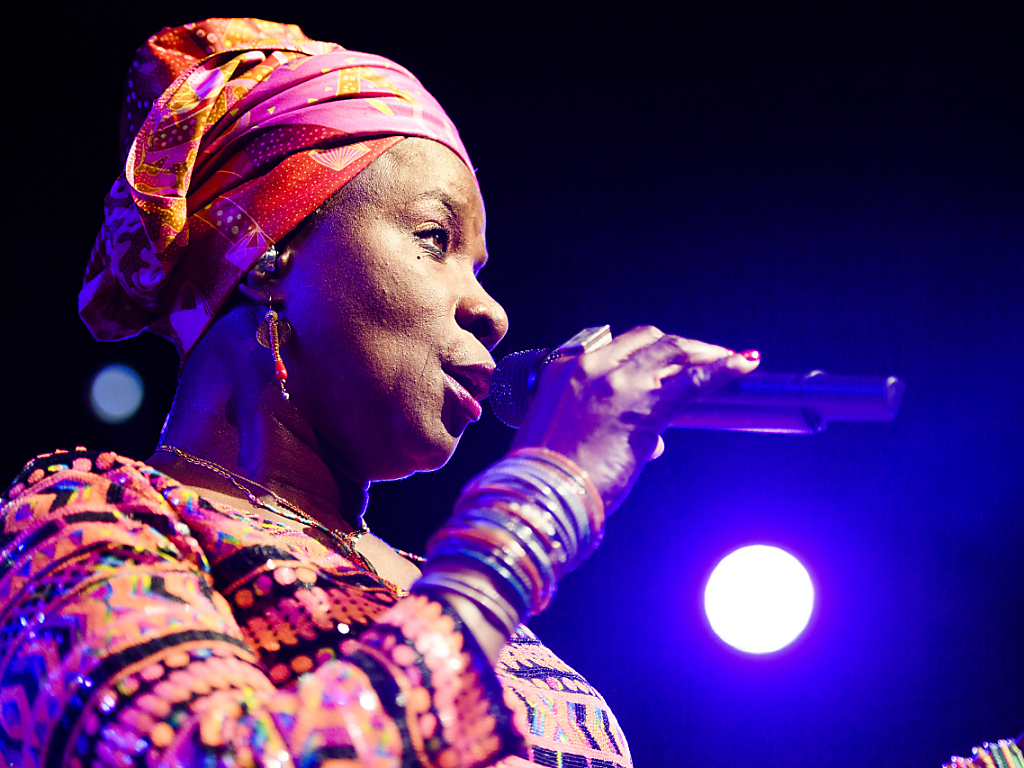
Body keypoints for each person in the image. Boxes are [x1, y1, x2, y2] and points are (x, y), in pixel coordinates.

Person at [0, 18, 761, 768]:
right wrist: (544, 494)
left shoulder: (441, 593)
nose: (492, 311)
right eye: (436, 239)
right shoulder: (85, 518)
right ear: (267, 252)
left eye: (480, 266)